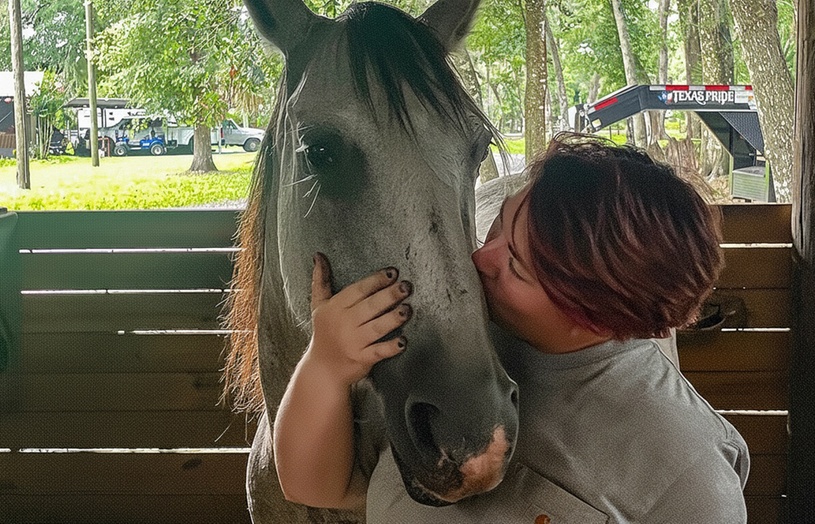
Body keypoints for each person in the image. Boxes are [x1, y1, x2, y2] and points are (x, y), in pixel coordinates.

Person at [273, 132, 750, 523]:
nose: (481, 258)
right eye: (498, 227)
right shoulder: (446, 347)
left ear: (591, 315)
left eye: (517, 267)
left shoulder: (691, 475)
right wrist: (325, 367)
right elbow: (321, 487)